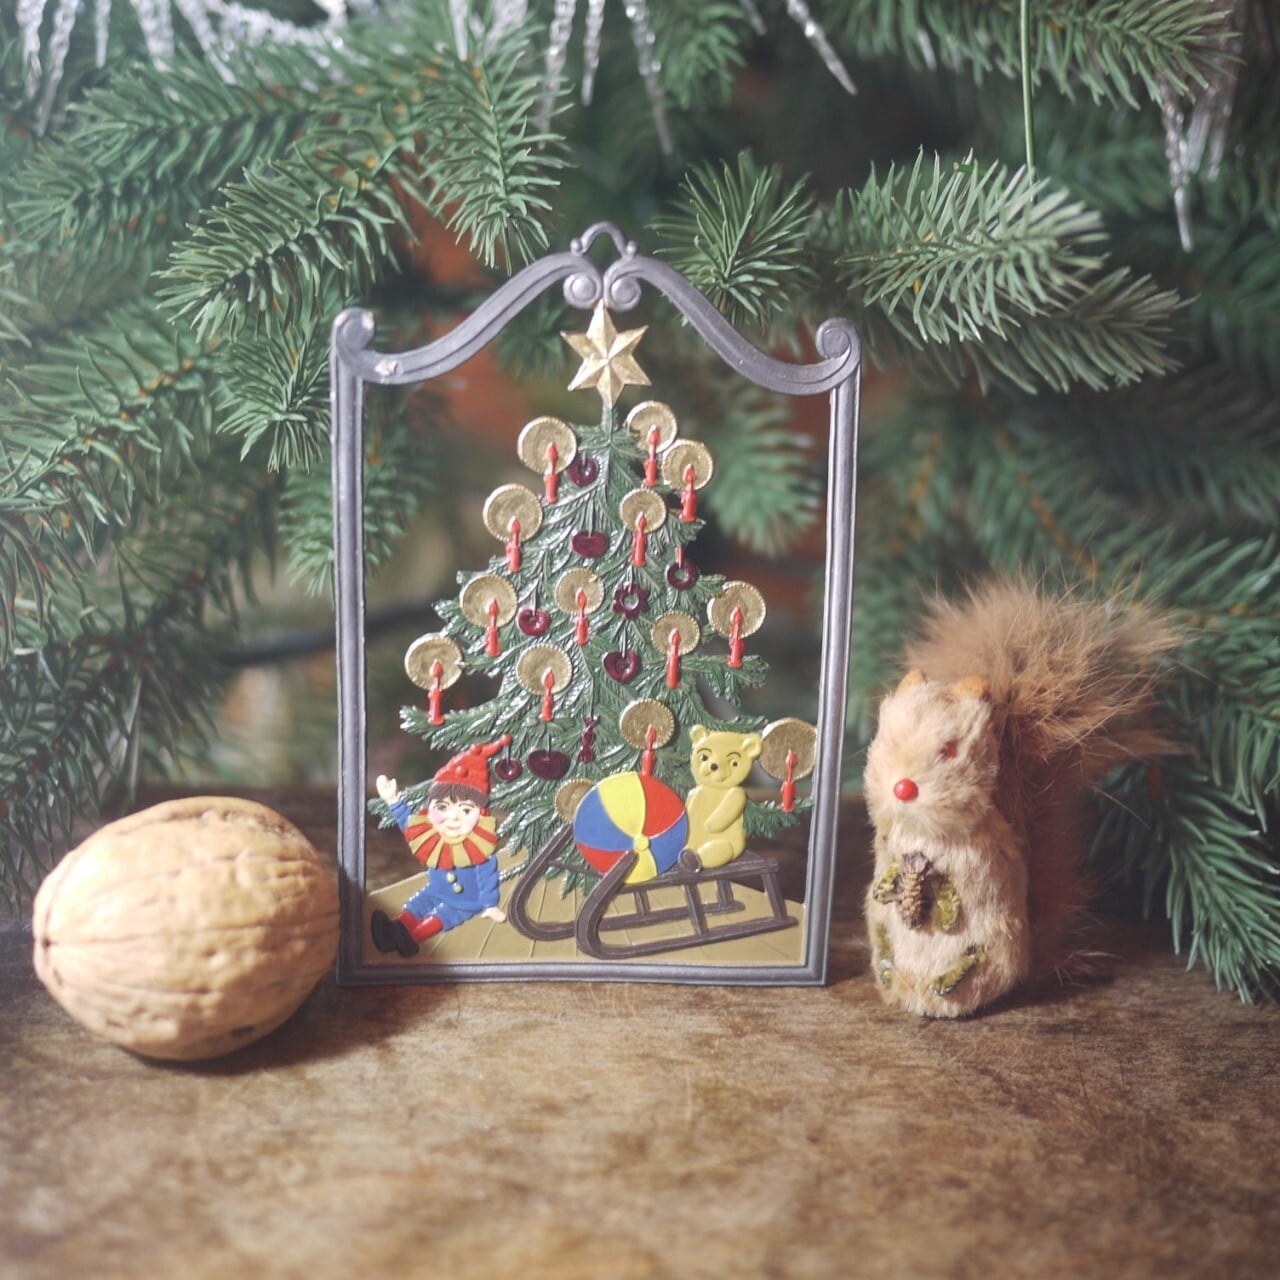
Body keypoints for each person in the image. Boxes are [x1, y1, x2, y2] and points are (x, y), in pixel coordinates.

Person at [370, 735, 512, 957]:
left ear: (480, 814)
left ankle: (410, 940)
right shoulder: (433, 835)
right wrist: (393, 801)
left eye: (466, 810)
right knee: (416, 905)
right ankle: (394, 932)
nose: (452, 817)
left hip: (465, 902)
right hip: (436, 890)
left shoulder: (479, 845)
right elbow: (409, 825)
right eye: (443, 807)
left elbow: (487, 875)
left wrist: (489, 904)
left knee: (440, 917)